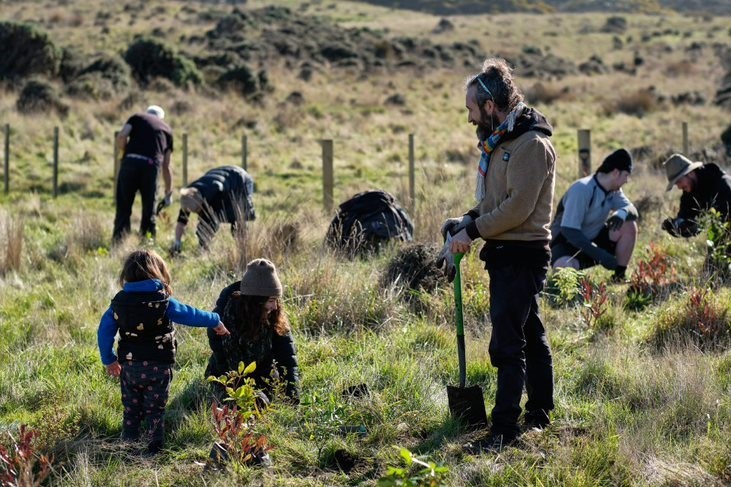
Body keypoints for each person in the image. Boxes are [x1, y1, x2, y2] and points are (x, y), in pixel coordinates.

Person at [439, 57, 556, 451]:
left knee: (507, 344)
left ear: (491, 105)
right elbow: (492, 203)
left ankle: (504, 430)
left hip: (523, 255)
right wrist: (465, 220)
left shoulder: (531, 146)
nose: (469, 117)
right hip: (504, 251)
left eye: (472, 108)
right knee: (529, 332)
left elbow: (517, 209)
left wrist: (472, 232)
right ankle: (540, 411)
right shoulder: (500, 144)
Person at [97, 249, 229, 454]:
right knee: (155, 411)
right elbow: (189, 314)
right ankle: (153, 449)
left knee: (131, 409)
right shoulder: (162, 301)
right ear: (158, 272)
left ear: (127, 275)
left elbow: (104, 331)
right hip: (158, 367)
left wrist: (109, 359)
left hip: (129, 368)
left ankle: (129, 444)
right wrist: (215, 320)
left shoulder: (119, 303)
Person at [205, 258, 300, 404]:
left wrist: (292, 394)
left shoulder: (275, 315)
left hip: (263, 371)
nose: (275, 306)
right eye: (270, 301)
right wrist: (240, 389)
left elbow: (287, 358)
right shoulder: (223, 318)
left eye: (276, 300)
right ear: (256, 302)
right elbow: (222, 359)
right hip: (225, 374)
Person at [550, 148, 638, 282]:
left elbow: (633, 210)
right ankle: (574, 287)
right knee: (564, 269)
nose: (627, 180)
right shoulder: (582, 189)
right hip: (565, 243)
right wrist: (600, 255)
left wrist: (622, 212)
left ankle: (619, 276)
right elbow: (569, 231)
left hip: (592, 241)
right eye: (626, 175)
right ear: (615, 172)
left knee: (629, 224)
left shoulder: (614, 191)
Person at [113, 105, 174, 245]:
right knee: (149, 210)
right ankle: (147, 244)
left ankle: (119, 243)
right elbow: (167, 165)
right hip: (151, 167)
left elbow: (122, 136)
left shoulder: (137, 117)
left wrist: (126, 152)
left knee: (123, 207)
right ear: (161, 118)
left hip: (130, 162)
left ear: (148, 113)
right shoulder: (167, 130)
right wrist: (168, 192)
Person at [173, 165, 256, 251]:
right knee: (205, 223)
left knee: (237, 219)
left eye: (197, 210)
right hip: (222, 176)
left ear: (201, 202)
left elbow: (212, 220)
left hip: (240, 180)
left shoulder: (215, 191)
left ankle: (244, 249)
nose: (197, 213)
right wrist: (177, 242)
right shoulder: (188, 198)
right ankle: (203, 249)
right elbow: (181, 222)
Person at [661, 153, 731, 238]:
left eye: (679, 181)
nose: (679, 187)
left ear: (690, 173)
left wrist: (699, 225)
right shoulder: (690, 191)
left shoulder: (723, 184)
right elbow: (686, 216)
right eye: (676, 184)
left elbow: (722, 218)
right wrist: (676, 226)